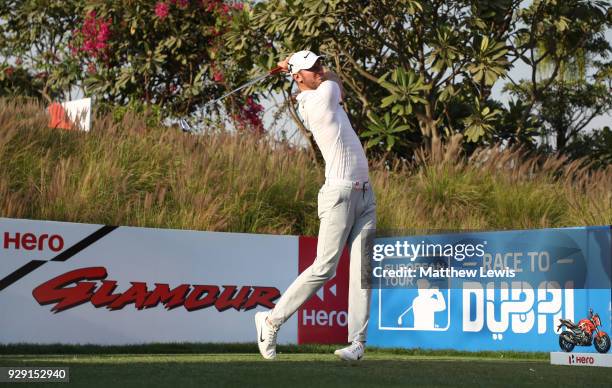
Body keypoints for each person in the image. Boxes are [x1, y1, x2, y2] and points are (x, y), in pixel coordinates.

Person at [255, 50, 377, 361]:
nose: (320, 70)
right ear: (299, 78)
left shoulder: (320, 90)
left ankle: (357, 344)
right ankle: (270, 322)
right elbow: (336, 82)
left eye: (319, 65)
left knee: (362, 273)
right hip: (338, 195)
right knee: (325, 268)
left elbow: (334, 83)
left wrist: (289, 64)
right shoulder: (318, 99)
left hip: (365, 196)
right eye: (312, 68)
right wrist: (291, 64)